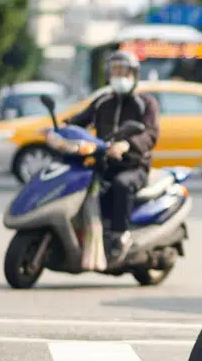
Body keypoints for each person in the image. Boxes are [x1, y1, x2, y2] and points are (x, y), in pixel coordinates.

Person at [66, 51, 160, 263]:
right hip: (103, 162)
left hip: (134, 166)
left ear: (134, 74)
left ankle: (120, 235)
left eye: (123, 71)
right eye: (115, 71)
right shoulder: (103, 101)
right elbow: (80, 120)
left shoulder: (146, 103)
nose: (119, 75)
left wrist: (127, 145)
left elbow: (151, 134)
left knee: (120, 184)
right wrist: (60, 129)